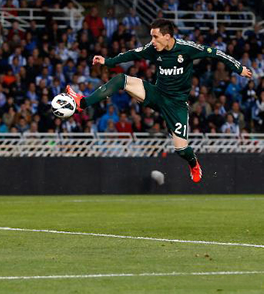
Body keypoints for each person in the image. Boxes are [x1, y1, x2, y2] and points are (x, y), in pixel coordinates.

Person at [66, 19, 252, 183]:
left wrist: (238, 68)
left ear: (167, 36)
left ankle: (193, 163)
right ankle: (82, 103)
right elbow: (132, 54)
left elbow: (215, 53)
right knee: (121, 80)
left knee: (181, 150)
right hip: (157, 94)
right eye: (151, 37)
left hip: (176, 105)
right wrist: (108, 62)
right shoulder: (153, 49)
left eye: (155, 37)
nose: (152, 42)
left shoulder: (187, 49)